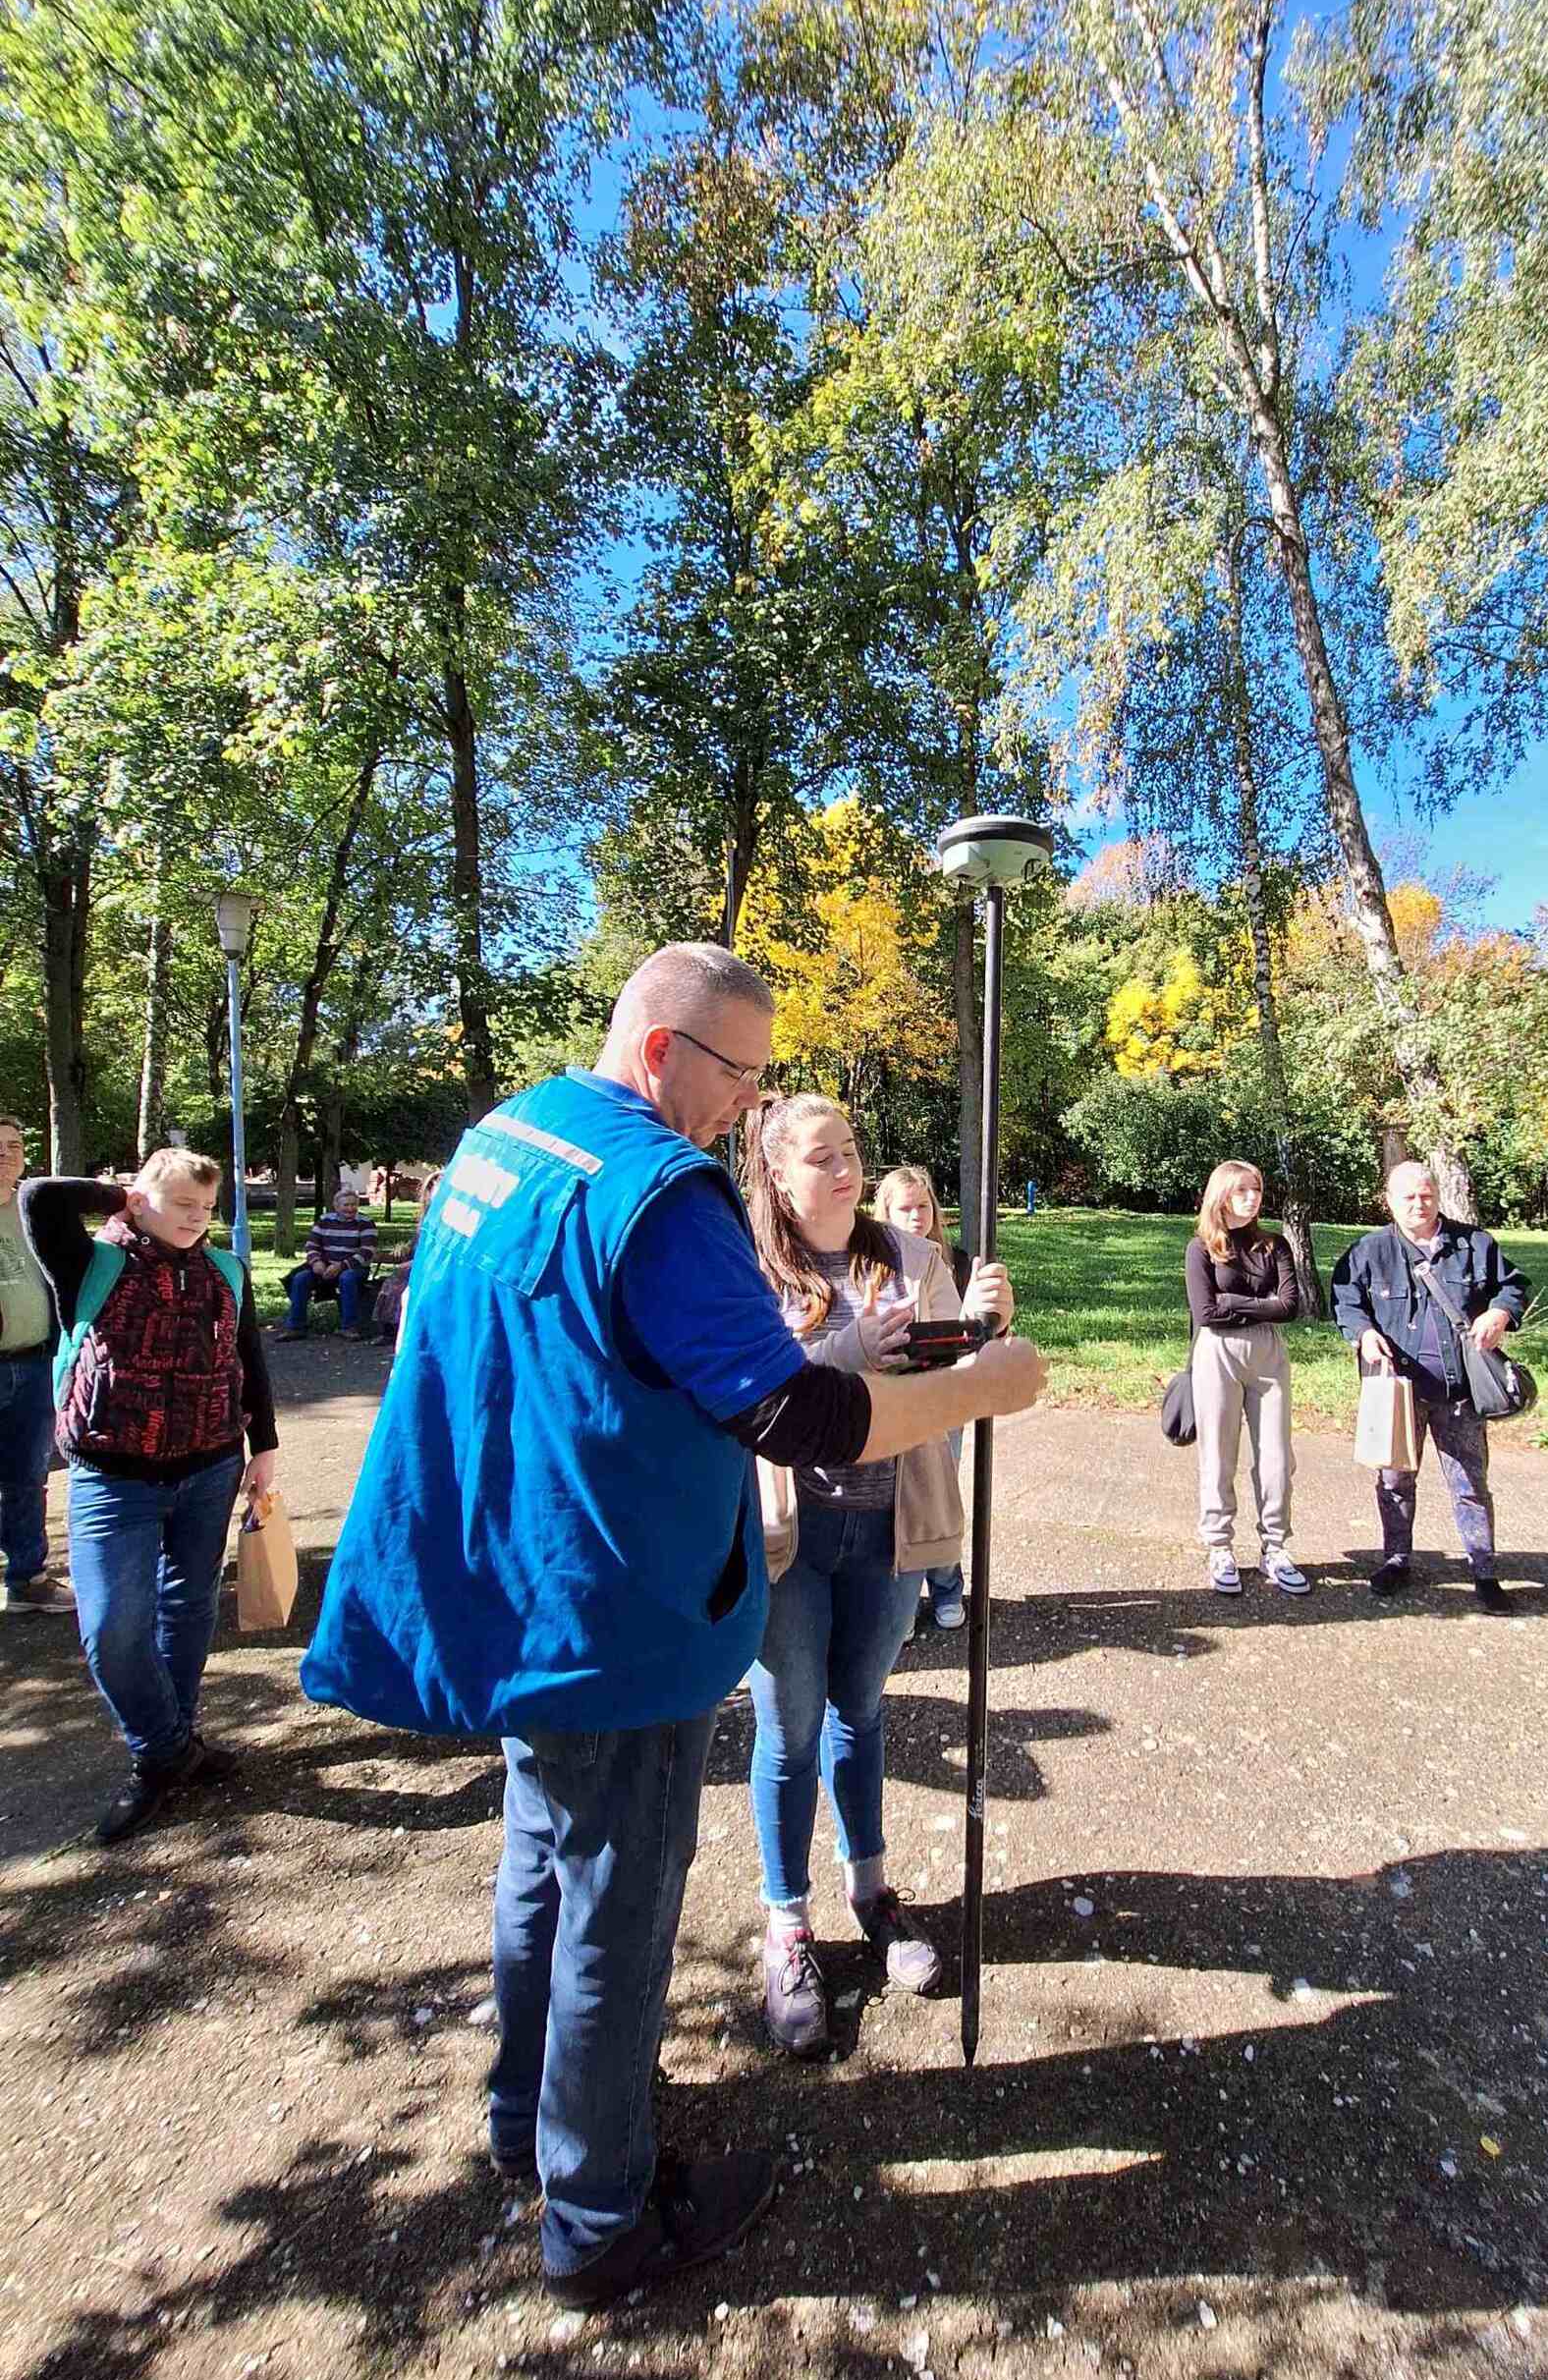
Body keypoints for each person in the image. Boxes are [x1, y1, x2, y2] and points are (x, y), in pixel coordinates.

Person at [300, 946, 1043, 2308]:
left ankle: (530, 2118)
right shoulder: (662, 1189)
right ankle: (600, 2218)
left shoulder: (507, 1137)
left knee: (541, 1862)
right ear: (660, 1051)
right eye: (739, 1075)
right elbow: (797, 1416)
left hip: (518, 1592)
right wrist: (984, 1388)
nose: (746, 1106)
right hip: (617, 1614)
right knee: (617, 1906)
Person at [744, 1105, 1013, 2058]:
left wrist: (980, 1327)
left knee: (860, 1709)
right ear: (778, 1174)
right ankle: (787, 1923)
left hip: (891, 1522)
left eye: (851, 1152)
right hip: (789, 1533)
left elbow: (951, 1371)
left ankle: (870, 1891)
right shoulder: (750, 1264)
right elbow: (750, 1388)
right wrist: (845, 1354)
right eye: (821, 1158)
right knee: (790, 1728)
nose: (844, 1169)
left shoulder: (907, 1255)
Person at [20, 1151, 278, 1840]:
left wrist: (265, 1447)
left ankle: (169, 1745)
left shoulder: (226, 1269)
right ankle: (168, 1750)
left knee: (188, 1608)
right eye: (183, 1204)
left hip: (211, 1468)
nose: (197, 1218)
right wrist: (124, 1194)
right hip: (113, 1476)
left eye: (207, 1208)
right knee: (112, 1627)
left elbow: (248, 1358)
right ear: (137, 1201)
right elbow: (40, 1196)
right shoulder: (90, 1262)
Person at [1330, 1158, 1531, 1614]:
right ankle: (1396, 1560)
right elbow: (1345, 1302)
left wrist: (1499, 1313)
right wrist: (1363, 1334)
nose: (1418, 1204)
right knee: (1394, 1481)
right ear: (1389, 1201)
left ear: (1438, 1197)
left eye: (1426, 1195)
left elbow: (1513, 1286)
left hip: (1460, 1393)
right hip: (1396, 1393)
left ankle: (1484, 1571)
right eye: (1408, 1197)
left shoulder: (1475, 1244)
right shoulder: (1368, 1251)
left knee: (1470, 1483)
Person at [1186, 1161, 1307, 1599]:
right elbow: (1206, 1312)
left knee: (1277, 1455)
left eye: (1256, 1189)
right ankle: (1219, 1546)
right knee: (1218, 1453)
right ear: (1221, 1196)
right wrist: (1260, 1303)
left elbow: (1290, 1307)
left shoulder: (1274, 1246)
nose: (1252, 1198)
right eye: (1241, 1191)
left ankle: (1275, 1546)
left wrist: (1232, 1301)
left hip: (1268, 1354)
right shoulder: (1202, 1248)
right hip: (1217, 1353)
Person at [871, 1164, 972, 1633]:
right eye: (905, 1208)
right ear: (886, 1213)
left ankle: (948, 1588)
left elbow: (971, 1333)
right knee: (896, 1504)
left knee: (937, 1495)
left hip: (942, 1397)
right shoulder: (873, 1265)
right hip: (894, 1398)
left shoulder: (956, 1261)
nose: (916, 1216)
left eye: (923, 1206)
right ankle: (904, 1603)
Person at [0, 1115, 76, 1616]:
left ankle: (27, 1579)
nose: (5, 1154)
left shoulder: (34, 1207)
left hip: (34, 1362)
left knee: (27, 1477)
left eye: (14, 1145)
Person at [279, 1186, 377, 1339]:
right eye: (346, 1205)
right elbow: (311, 1245)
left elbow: (367, 1251)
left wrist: (341, 1266)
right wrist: (316, 1262)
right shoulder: (324, 1220)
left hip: (354, 1267)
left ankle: (349, 1327)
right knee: (300, 1278)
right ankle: (296, 1327)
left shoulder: (366, 1222)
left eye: (353, 1205)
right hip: (325, 1266)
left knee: (347, 1278)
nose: (350, 1208)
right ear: (336, 1206)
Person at [370, 1172, 439, 1343]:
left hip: (438, 1269)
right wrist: (404, 1249)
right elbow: (416, 1247)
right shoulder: (427, 1222)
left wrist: (414, 1263)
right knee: (394, 1281)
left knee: (401, 1278)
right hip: (416, 1267)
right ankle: (389, 1330)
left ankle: (403, 1331)